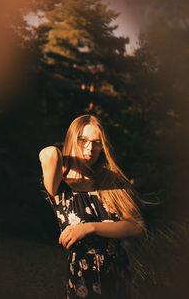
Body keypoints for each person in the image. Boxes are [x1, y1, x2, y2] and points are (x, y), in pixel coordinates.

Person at [39, 114, 146, 299]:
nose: (90, 148)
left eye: (97, 142)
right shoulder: (59, 185)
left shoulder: (112, 181)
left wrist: (89, 228)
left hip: (117, 273)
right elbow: (49, 153)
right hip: (83, 279)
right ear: (72, 139)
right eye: (83, 140)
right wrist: (70, 157)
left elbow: (137, 227)